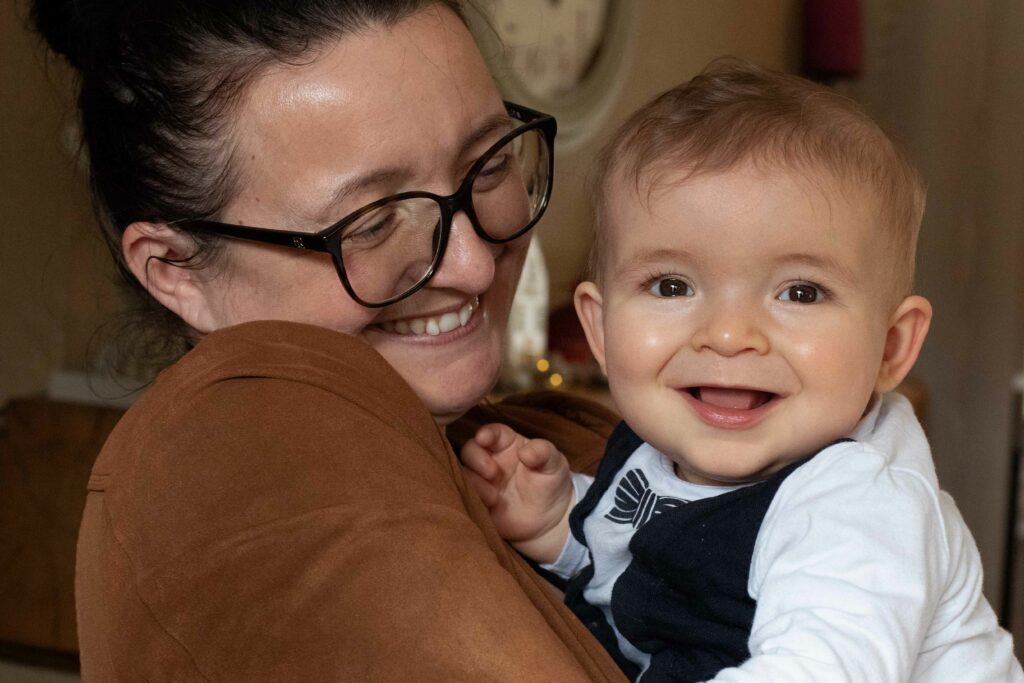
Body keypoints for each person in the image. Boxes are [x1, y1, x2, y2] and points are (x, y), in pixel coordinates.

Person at [30, 1, 630, 680]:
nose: (475, 264)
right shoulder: (249, 481)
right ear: (176, 270)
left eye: (487, 164)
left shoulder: (509, 446)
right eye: (371, 221)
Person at [461, 59, 1024, 682]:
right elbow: (651, 577)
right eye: (672, 284)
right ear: (599, 328)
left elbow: (818, 670)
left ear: (890, 348)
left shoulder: (858, 508)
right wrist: (560, 523)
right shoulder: (660, 453)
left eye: (801, 293)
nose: (729, 336)